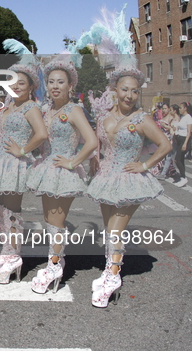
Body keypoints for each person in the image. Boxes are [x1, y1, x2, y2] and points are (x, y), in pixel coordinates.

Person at [86, 68, 171, 307]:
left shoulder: (142, 119)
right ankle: (108, 269)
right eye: (125, 89)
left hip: (129, 179)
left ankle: (113, 276)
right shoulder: (104, 117)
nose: (130, 95)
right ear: (115, 90)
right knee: (108, 228)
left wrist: (144, 165)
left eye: (135, 91)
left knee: (115, 229)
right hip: (105, 178)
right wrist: (95, 158)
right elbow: (98, 142)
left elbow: (164, 145)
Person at [25, 60, 97, 294]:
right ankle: (56, 260)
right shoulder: (47, 110)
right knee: (49, 220)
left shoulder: (74, 110)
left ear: (70, 86)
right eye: (51, 82)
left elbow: (92, 141)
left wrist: (72, 162)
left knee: (56, 221)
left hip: (63, 172)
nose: (55, 86)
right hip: (46, 167)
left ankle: (54, 265)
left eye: (61, 82)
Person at [0, 51, 48, 285]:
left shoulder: (30, 107)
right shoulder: (8, 106)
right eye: (13, 83)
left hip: (15, 163)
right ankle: (6, 249)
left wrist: (23, 150)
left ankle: (15, 255)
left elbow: (41, 134)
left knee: (11, 210)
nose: (16, 87)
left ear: (31, 86)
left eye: (22, 83)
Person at [172, 102, 192, 187]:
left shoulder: (189, 118)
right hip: (179, 139)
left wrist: (185, 143)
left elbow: (189, 132)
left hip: (185, 140)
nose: (179, 109)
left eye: (180, 108)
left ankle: (184, 178)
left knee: (177, 159)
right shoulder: (183, 117)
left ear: (185, 108)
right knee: (181, 159)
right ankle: (182, 177)